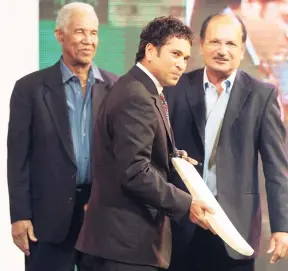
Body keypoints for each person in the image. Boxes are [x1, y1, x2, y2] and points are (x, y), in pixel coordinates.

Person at [76, 16, 214, 271]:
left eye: (185, 58)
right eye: (175, 54)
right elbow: (135, 172)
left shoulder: (142, 89)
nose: (181, 64)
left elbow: (135, 155)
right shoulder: (136, 95)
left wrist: (172, 156)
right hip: (124, 249)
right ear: (150, 51)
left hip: (124, 247)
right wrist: (187, 204)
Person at [164, 12, 288, 271]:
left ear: (242, 50)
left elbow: (277, 168)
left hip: (236, 229)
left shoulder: (261, 95)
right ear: (201, 45)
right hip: (183, 224)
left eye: (231, 44)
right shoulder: (175, 88)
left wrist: (282, 227)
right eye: (215, 42)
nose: (222, 50)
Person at [7, 2, 118, 271]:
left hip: (99, 216)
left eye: (93, 33)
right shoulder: (29, 89)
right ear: (60, 36)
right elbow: (18, 159)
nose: (88, 40)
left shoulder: (115, 87)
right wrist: (20, 215)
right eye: (80, 32)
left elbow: (120, 155)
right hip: (47, 221)